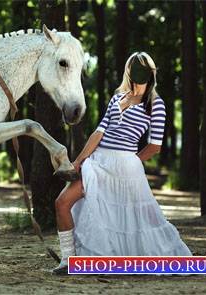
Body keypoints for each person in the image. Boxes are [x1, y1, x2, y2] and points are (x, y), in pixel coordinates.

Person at [52, 52, 192, 274]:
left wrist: (130, 163)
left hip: (126, 166)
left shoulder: (155, 104)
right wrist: (78, 162)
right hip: (97, 163)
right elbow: (99, 132)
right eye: (133, 66)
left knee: (136, 218)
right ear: (128, 71)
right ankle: (68, 261)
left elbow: (155, 146)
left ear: (150, 72)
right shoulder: (118, 98)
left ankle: (164, 260)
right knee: (62, 203)